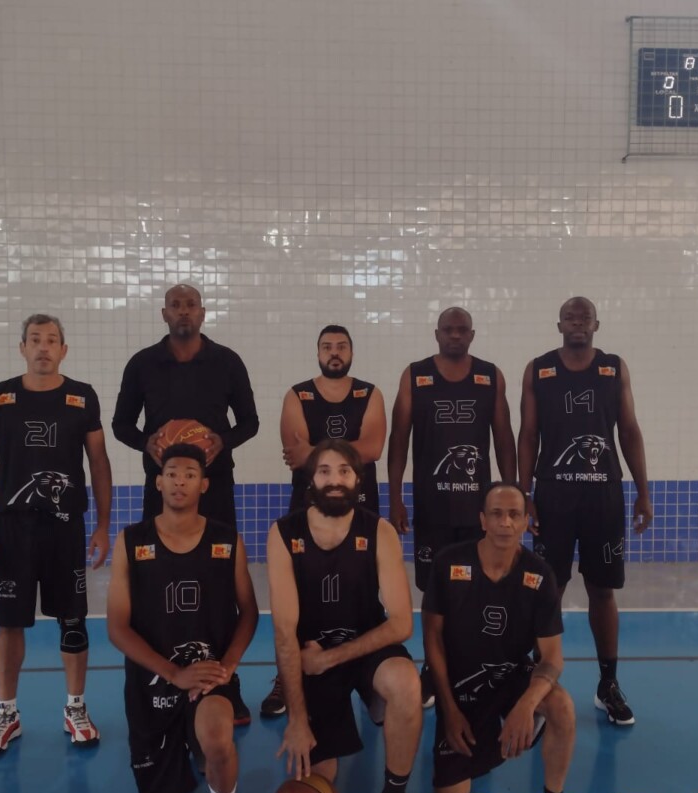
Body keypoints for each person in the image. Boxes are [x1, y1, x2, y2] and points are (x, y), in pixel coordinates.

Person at [107, 443, 259, 793]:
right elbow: (117, 628)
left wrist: (226, 667)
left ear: (204, 485)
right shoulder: (131, 541)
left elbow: (249, 612)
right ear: (158, 481)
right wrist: (174, 673)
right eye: (172, 472)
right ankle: (184, 752)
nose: (179, 481)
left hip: (209, 678)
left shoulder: (227, 540)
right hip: (154, 683)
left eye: (190, 474)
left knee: (216, 738)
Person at [268, 440, 423, 793]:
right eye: (324, 471)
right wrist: (296, 719)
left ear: (358, 480)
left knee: (406, 683)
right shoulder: (284, 534)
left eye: (343, 471)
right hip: (311, 657)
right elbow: (284, 633)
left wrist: (333, 658)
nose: (334, 480)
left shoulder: (379, 531)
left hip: (362, 648)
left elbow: (401, 624)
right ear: (310, 480)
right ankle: (350, 716)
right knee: (320, 780)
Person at [112, 282, 259, 725]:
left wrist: (222, 440)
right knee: (156, 585)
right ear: (164, 314)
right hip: (164, 491)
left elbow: (249, 422)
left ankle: (225, 681)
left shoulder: (227, 361)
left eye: (190, 305)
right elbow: (121, 424)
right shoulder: (142, 363)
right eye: (175, 305)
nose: (183, 311)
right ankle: (160, 676)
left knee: (221, 587)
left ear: (202, 312)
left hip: (215, 487)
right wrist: (147, 443)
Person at [0, 314, 112, 755]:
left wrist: (103, 526)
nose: (43, 347)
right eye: (35, 339)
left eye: (52, 340)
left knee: (73, 619)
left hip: (66, 528)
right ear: (22, 348)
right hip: (13, 528)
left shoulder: (82, 397)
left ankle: (75, 708)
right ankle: (6, 714)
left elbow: (99, 463)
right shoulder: (0, 398)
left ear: (64, 350)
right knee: (10, 622)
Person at [423, 482, 583, 793]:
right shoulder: (448, 563)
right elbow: (432, 639)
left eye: (514, 515)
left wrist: (526, 705)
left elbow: (552, 657)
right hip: (459, 683)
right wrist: (449, 710)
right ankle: (478, 747)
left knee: (561, 705)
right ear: (482, 520)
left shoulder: (539, 575)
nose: (505, 522)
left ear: (526, 522)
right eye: (496, 513)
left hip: (510, 677)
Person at [518, 296, 652, 726]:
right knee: (547, 590)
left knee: (603, 590)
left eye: (585, 317)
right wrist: (524, 493)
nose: (577, 322)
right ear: (558, 325)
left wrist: (643, 491)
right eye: (570, 317)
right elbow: (528, 435)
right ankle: (539, 684)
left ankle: (608, 683)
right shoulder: (538, 369)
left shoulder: (614, 367)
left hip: (603, 497)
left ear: (597, 324)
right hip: (553, 498)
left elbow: (629, 430)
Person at [387, 306, 517, 705]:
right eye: (448, 329)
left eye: (462, 330)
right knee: (435, 593)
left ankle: (477, 664)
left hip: (479, 511)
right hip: (432, 509)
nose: (455, 335)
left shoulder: (490, 376)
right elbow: (398, 440)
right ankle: (432, 667)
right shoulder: (415, 375)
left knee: (480, 589)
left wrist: (513, 497)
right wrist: (395, 498)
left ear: (472, 335)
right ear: (437, 333)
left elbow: (504, 439)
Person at [262, 325, 386, 718]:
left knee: (363, 591)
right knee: (298, 596)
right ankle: (287, 676)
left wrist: (316, 453)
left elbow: (374, 447)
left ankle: (367, 673)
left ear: (351, 352)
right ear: (317, 352)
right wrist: (349, 452)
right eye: (327, 346)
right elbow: (295, 455)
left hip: (360, 507)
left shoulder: (370, 393)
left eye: (341, 346)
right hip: (307, 509)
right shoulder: (298, 395)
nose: (334, 352)